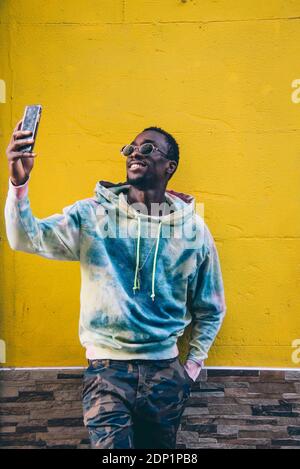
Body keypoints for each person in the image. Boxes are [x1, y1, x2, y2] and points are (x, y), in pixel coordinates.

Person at [4, 119, 226, 449]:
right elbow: (25, 238)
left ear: (170, 166)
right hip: (106, 372)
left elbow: (211, 307)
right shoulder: (92, 215)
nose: (135, 153)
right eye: (131, 148)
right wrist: (18, 184)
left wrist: (190, 368)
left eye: (148, 148)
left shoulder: (193, 231)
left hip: (165, 374)